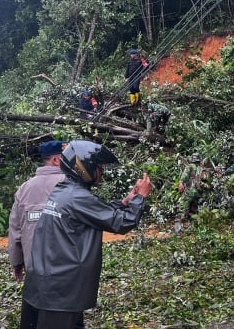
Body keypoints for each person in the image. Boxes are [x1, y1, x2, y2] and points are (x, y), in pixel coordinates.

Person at [22, 140, 152, 329]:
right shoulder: (78, 197)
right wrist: (141, 197)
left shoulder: (63, 190)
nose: (102, 172)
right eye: (98, 167)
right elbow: (123, 223)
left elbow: (96, 213)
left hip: (43, 284)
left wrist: (125, 201)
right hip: (61, 292)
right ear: (84, 167)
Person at [8, 141, 66, 282]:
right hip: (67, 266)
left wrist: (17, 263)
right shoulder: (70, 184)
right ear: (56, 160)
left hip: (34, 267)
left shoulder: (24, 188)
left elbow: (15, 230)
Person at [177, 153, 210, 224]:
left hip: (190, 190)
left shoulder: (190, 166)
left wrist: (181, 182)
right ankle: (192, 224)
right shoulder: (203, 169)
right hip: (200, 192)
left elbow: (185, 176)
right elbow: (206, 180)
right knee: (194, 208)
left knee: (183, 204)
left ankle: (180, 224)